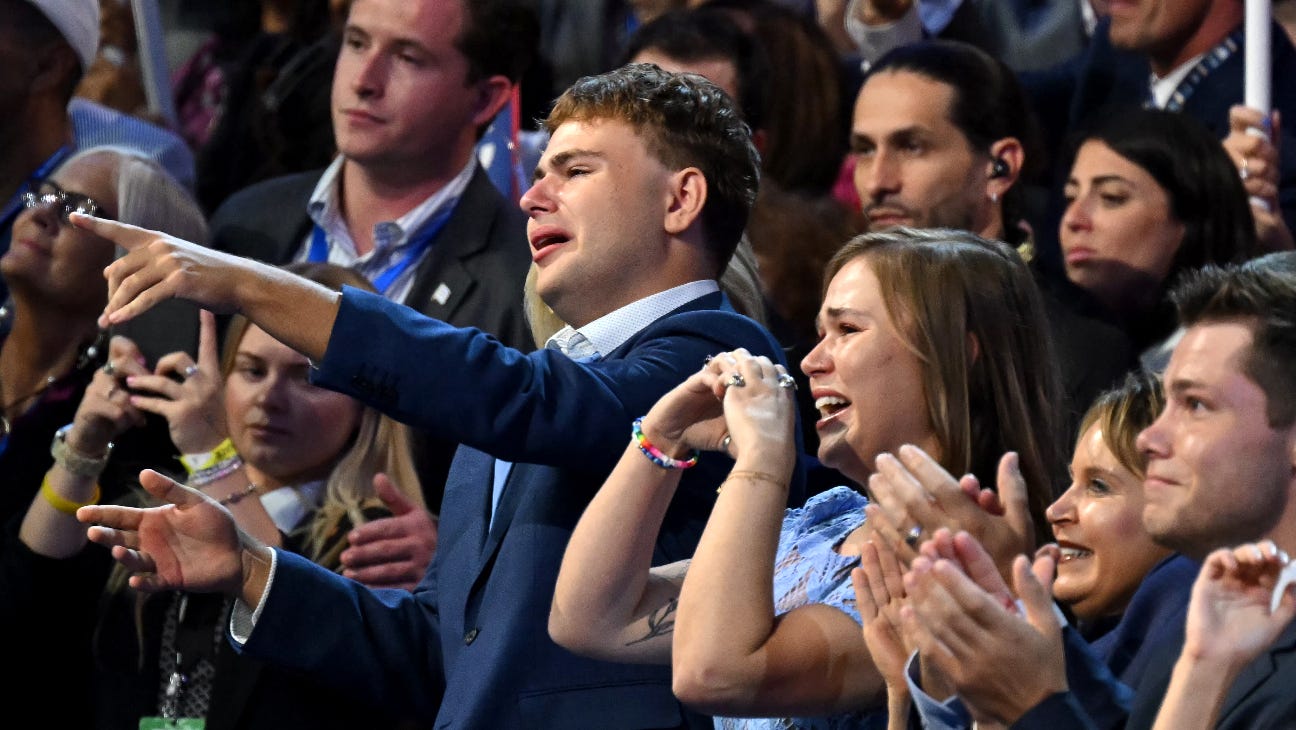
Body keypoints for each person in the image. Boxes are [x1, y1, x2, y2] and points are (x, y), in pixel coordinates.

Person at [73, 63, 801, 728]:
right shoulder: (527, 405)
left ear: (681, 199)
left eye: (575, 170)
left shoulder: (721, 361)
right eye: (540, 171)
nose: (532, 195)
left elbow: (527, 401)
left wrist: (247, 282)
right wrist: (251, 568)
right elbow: (437, 654)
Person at [549, 227, 1065, 728]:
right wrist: (662, 435)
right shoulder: (824, 526)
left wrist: (764, 462)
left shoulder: (972, 566)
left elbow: (714, 673)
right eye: (820, 334)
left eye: (848, 330)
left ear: (958, 357)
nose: (812, 362)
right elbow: (589, 619)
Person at [6, 262, 426, 729]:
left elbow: (295, 634)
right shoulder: (162, 501)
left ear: (368, 406)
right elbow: (33, 593)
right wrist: (83, 447)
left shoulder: (376, 537)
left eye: (308, 378)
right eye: (252, 370)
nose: (270, 397)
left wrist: (212, 456)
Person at [888, 254, 1296, 728]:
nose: (1150, 438)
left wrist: (1032, 708)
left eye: (1196, 405)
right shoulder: (1217, 612)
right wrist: (1017, 634)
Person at [205, 0, 540, 512]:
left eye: (408, 57)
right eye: (357, 42)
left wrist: (445, 564)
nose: (364, 79)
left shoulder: (527, 278)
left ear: (485, 99)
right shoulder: (246, 224)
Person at [847, 39, 1134, 445]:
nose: (877, 181)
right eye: (864, 150)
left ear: (1000, 168)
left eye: (911, 146)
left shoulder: (1077, 349)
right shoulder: (838, 327)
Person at [0, 145, 205, 527]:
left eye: (79, 211)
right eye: (45, 194)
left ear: (134, 267)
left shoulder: (124, 424)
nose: (42, 214)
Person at [1058, 108, 1257, 365]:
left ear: (1192, 218)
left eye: (1112, 197)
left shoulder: (1235, 363)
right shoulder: (1064, 347)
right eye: (1070, 198)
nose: (1073, 220)